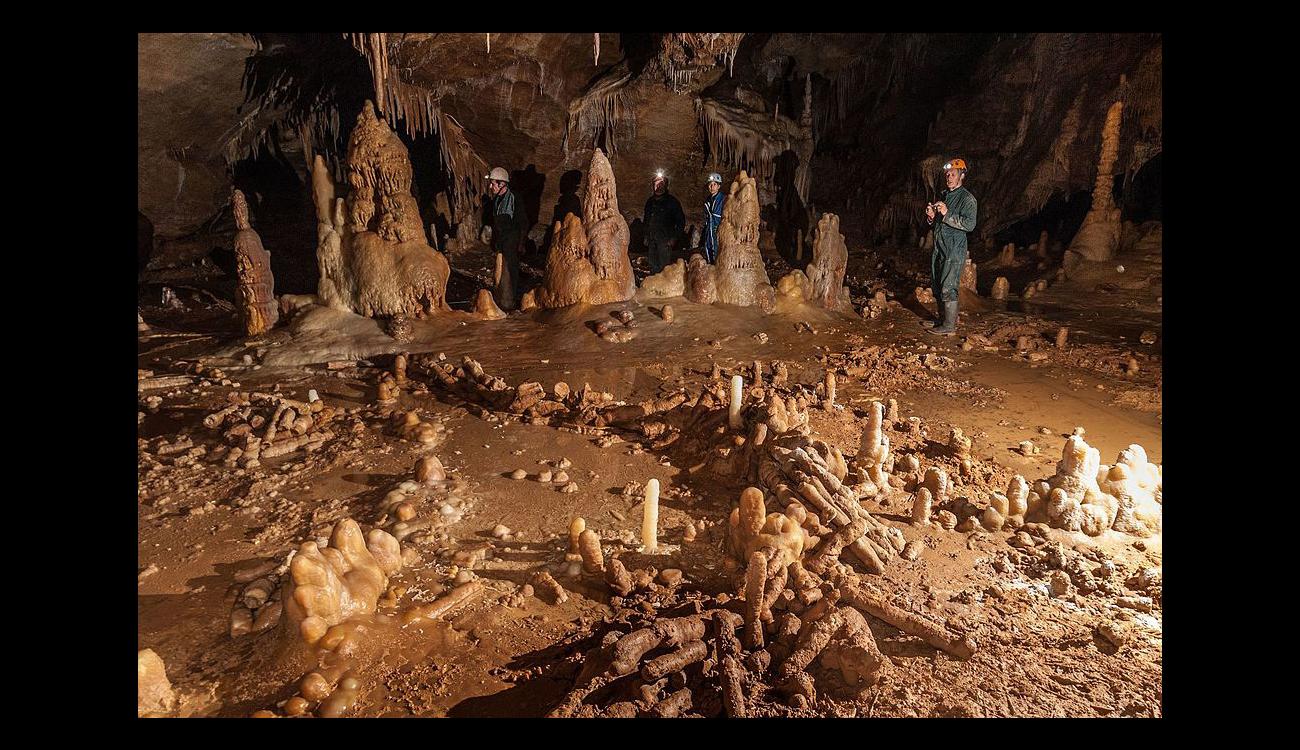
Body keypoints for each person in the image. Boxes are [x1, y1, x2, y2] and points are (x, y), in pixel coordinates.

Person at [923, 158, 978, 335]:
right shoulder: (945, 195)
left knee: (948, 286)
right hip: (940, 248)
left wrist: (947, 213)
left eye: (953, 174)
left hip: (954, 249)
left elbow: (969, 225)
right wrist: (932, 216)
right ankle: (942, 320)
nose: (949, 177)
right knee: (938, 285)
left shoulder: (967, 199)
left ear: (961, 176)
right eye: (947, 174)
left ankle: (949, 326)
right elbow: (939, 224)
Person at [485, 166, 523, 310]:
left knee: (509, 269)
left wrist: (521, 242)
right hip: (502, 239)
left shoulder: (514, 198)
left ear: (502, 184)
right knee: (500, 269)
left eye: (493, 183)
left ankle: (509, 302)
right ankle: (500, 298)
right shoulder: (497, 200)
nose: (490, 186)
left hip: (512, 238)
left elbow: (522, 221)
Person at [643, 172, 685, 273]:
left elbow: (681, 222)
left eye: (661, 184)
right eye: (656, 184)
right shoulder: (650, 202)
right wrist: (646, 236)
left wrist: (674, 238)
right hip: (652, 240)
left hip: (665, 241)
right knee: (653, 267)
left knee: (664, 269)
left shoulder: (672, 202)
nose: (658, 186)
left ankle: (663, 288)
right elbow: (646, 220)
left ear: (665, 185)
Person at [702, 172, 726, 263]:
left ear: (719, 186)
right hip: (709, 230)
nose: (712, 187)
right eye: (710, 184)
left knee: (718, 252)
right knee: (708, 249)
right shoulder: (707, 201)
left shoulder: (723, 199)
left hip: (718, 230)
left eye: (714, 184)